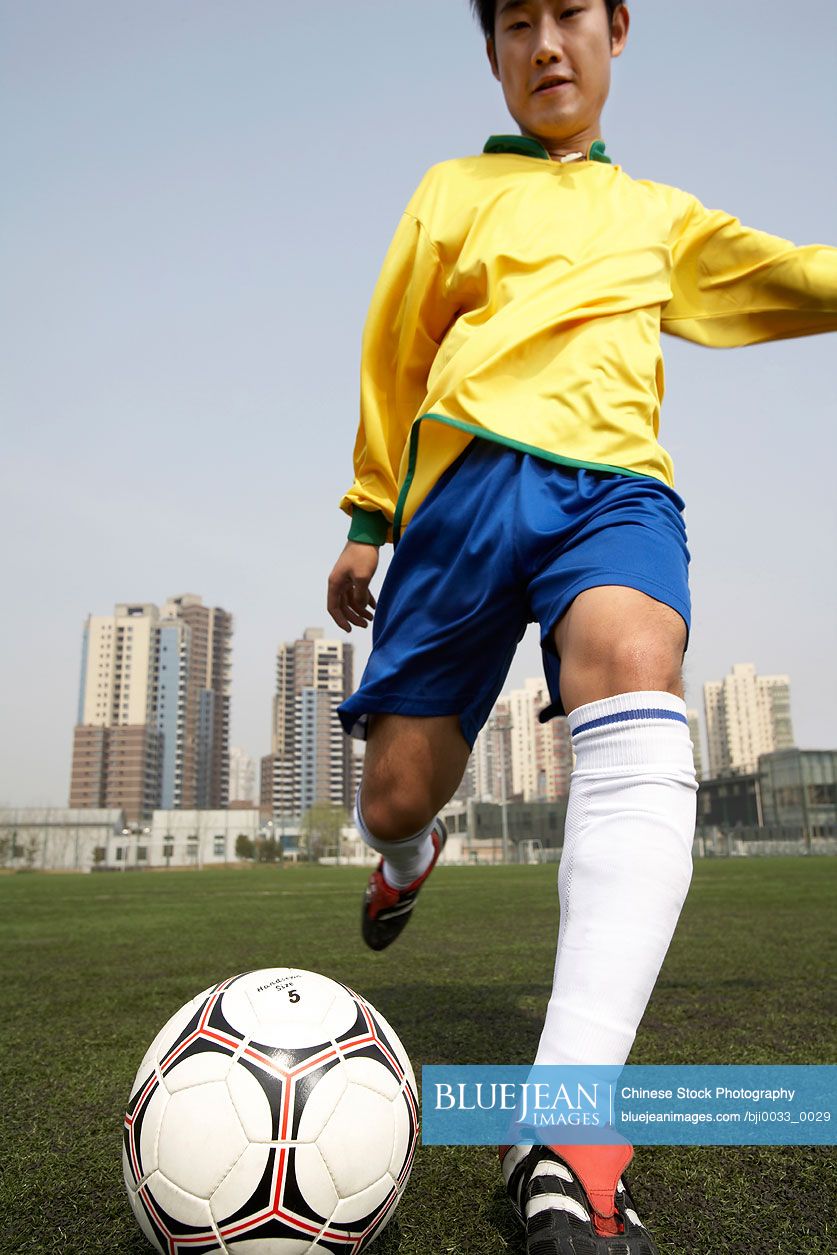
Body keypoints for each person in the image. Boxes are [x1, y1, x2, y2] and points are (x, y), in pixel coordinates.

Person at [325, 2, 836, 1251]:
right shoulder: (452, 192)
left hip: (611, 488)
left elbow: (794, 274)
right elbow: (394, 352)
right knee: (391, 795)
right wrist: (367, 513)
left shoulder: (658, 216)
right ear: (493, 52)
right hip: (456, 496)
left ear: (615, 31)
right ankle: (406, 861)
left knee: (637, 660)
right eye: (515, 24)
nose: (545, 44)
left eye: (569, 16)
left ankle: (562, 1133)